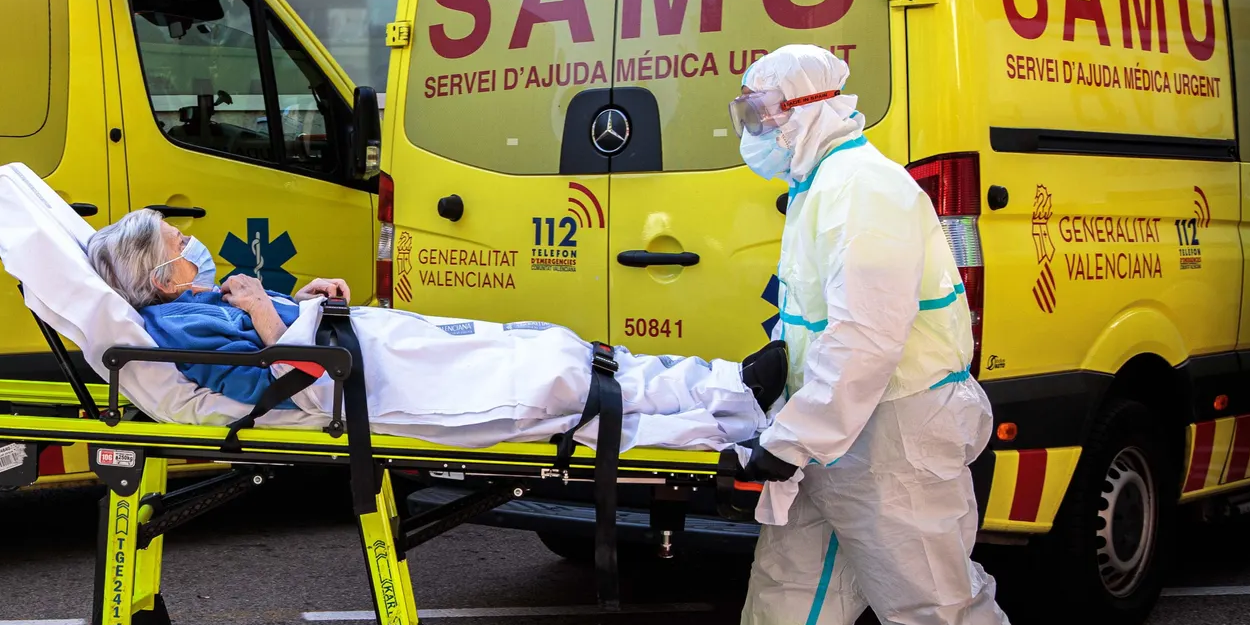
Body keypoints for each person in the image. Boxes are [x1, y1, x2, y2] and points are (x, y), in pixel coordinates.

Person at [664, 46, 1077, 625]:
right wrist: (780, 363)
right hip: (841, 427)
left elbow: (866, 337)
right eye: (746, 114)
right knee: (792, 576)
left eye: (760, 114)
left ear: (806, 107)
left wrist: (794, 437)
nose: (752, 130)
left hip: (894, 431)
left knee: (931, 597)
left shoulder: (867, 191)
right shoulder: (821, 187)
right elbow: (826, 321)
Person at [83, 207, 789, 453]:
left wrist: (305, 300)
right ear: (162, 274)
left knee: (553, 348)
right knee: (553, 391)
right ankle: (729, 425)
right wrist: (272, 314)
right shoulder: (176, 327)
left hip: (359, 346)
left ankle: (727, 382)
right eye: (180, 242)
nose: (193, 245)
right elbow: (271, 382)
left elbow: (283, 339)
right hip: (358, 384)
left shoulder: (201, 301)